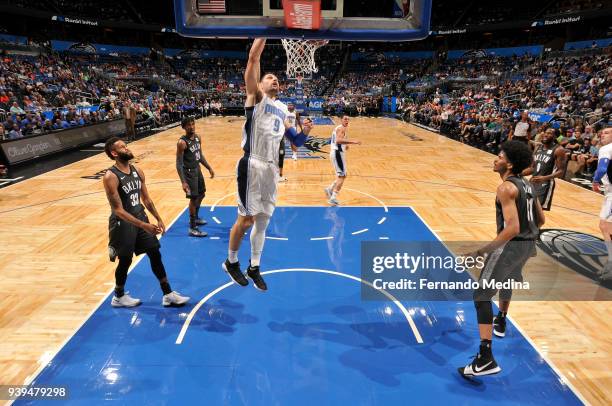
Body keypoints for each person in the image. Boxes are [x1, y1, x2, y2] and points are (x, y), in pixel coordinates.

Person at [459, 140, 544, 377]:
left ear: (509, 163)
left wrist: (479, 252)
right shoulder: (527, 186)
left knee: (481, 295)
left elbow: (513, 228)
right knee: (508, 281)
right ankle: (502, 319)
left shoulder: (506, 188)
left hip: (511, 246)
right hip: (529, 246)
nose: (495, 159)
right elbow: (541, 220)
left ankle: (485, 357)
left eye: (499, 155)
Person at [221, 38, 291, 291]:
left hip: (271, 169)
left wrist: (303, 132)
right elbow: (253, 59)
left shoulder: (284, 108)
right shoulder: (256, 98)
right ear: (259, 83)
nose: (275, 80)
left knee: (262, 222)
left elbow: (293, 140)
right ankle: (231, 261)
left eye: (277, 78)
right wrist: (264, 31)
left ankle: (255, 267)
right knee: (247, 219)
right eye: (269, 77)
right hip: (252, 162)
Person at [103, 137, 189, 307]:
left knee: (155, 253)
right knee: (125, 261)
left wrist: (158, 218)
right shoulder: (110, 176)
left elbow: (147, 199)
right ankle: (118, 296)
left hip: (140, 217)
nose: (127, 149)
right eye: (122, 147)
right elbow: (118, 210)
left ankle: (168, 294)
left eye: (126, 146)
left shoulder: (137, 171)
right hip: (122, 223)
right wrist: (144, 225)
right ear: (114, 153)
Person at [176, 116, 215, 237]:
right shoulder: (182, 143)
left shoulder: (198, 138)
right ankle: (192, 227)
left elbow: (199, 155)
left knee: (202, 193)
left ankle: (196, 217)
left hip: (197, 170)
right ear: (184, 127)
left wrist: (208, 167)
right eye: (188, 125)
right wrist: (183, 182)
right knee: (193, 198)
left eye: (193, 124)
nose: (191, 126)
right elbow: (178, 163)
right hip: (188, 172)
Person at [523, 128, 566, 211]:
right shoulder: (538, 148)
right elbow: (532, 168)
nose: (546, 134)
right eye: (545, 132)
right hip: (533, 182)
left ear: (555, 137)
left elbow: (561, 171)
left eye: (549, 133)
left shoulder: (558, 150)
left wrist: (544, 178)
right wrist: (518, 173)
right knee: (526, 209)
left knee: (536, 211)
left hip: (545, 184)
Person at [325, 115, 362, 206]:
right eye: (345, 119)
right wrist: (353, 142)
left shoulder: (338, 128)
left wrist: (345, 146)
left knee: (342, 175)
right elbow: (338, 140)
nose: (347, 121)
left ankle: (329, 189)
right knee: (342, 176)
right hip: (337, 154)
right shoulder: (342, 129)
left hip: (336, 153)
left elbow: (336, 140)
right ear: (341, 120)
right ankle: (333, 198)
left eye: (348, 119)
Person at [591, 127, 612, 283]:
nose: (602, 134)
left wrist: (596, 180)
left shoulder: (606, 148)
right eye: (601, 133)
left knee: (605, 227)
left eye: (607, 132)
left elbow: (602, 168)